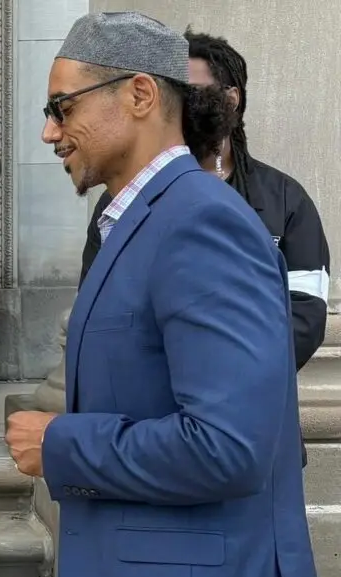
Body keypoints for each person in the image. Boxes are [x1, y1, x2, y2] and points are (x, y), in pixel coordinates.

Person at [5, 12, 326, 577]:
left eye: (62, 107)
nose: (48, 131)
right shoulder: (138, 220)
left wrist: (62, 444)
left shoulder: (202, 223)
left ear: (140, 94)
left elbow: (228, 448)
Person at [79, 31, 330, 467]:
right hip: (146, 432)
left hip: (251, 427)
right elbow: (97, 308)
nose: (183, 104)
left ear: (230, 99)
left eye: (192, 90)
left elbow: (306, 313)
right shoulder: (119, 201)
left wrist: (222, 377)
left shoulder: (286, 199)